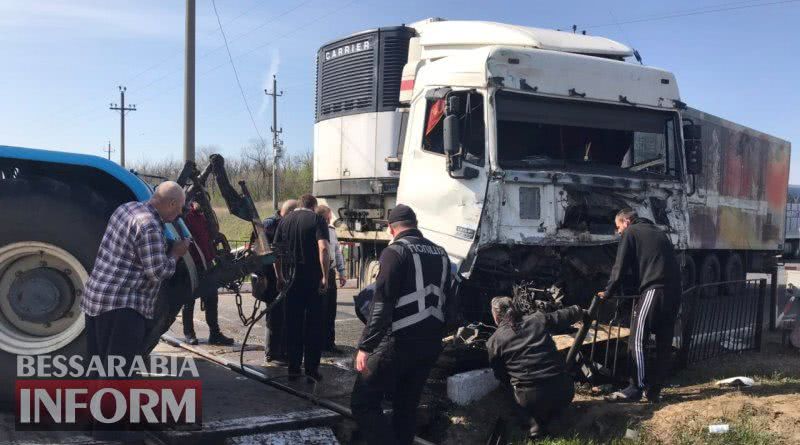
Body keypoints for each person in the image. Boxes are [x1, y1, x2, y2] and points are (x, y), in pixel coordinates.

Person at [351, 204, 450, 445]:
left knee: (363, 402)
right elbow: (451, 302)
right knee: (406, 406)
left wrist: (366, 346)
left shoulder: (394, 252)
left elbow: (381, 303)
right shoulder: (442, 253)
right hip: (429, 344)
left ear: (391, 229)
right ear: (416, 224)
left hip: (398, 343)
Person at [81, 181, 189, 369]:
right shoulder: (150, 227)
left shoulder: (127, 208)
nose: (179, 214)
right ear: (171, 204)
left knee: (97, 366)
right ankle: (113, 399)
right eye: (179, 208)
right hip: (122, 308)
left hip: (97, 300)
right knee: (118, 373)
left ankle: (95, 398)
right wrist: (175, 254)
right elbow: (158, 272)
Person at [598, 208, 681, 403]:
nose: (618, 232)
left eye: (618, 227)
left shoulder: (631, 233)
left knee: (637, 339)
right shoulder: (658, 232)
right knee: (663, 342)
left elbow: (619, 267)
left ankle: (635, 387)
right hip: (674, 292)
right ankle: (654, 391)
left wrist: (608, 292)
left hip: (654, 289)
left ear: (626, 222)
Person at [486, 297, 583, 439]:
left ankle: (533, 423)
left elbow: (501, 375)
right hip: (564, 390)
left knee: (509, 389)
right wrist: (578, 310)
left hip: (530, 399)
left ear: (495, 316)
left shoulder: (493, 341)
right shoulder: (537, 319)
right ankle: (555, 414)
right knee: (550, 391)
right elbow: (562, 316)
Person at [273, 194, 329, 381]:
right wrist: (325, 276)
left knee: (293, 325)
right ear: (313, 206)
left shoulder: (285, 221)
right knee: (314, 326)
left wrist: (279, 276)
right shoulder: (317, 219)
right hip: (312, 281)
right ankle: (312, 370)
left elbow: (276, 253)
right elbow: (323, 248)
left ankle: (293, 368)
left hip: (290, 281)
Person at [181, 201, 234, 346]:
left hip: (207, 262)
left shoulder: (202, 215)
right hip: (191, 263)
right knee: (189, 299)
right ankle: (189, 333)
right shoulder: (186, 215)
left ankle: (215, 334)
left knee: (212, 298)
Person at [262, 199, 297, 364]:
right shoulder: (270, 224)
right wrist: (277, 276)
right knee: (274, 313)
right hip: (271, 275)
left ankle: (280, 350)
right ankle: (272, 352)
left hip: (282, 273)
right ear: (290, 213)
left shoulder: (283, 224)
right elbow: (268, 251)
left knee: (282, 313)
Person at [316, 204, 347, 353]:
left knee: (330, 310)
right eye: (329, 216)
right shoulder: (315, 229)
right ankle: (317, 343)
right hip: (318, 272)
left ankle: (329, 343)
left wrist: (341, 271)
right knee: (319, 310)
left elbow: (337, 252)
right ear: (325, 217)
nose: (330, 219)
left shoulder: (332, 231)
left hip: (331, 271)